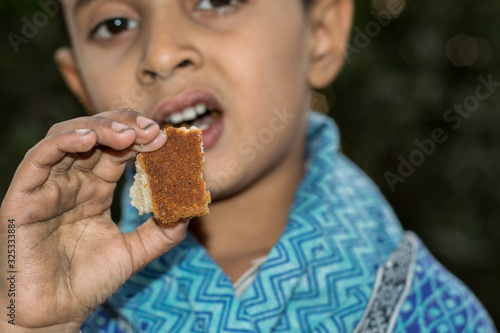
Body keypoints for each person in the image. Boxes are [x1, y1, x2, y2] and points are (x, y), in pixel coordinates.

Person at [0, 0, 496, 332]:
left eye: (217, 0)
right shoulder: (48, 302)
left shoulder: (438, 315)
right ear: (80, 83)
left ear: (319, 35)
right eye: (114, 24)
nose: (162, 53)